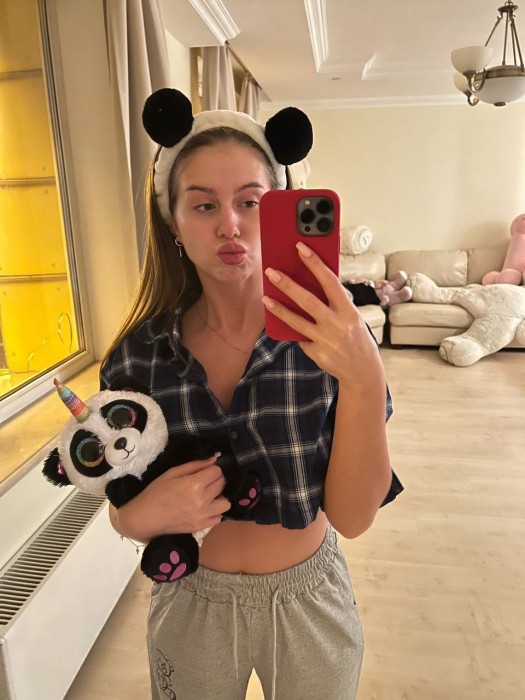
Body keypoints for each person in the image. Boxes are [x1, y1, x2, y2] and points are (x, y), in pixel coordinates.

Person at [100, 88, 402, 700]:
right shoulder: (138, 358)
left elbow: (354, 517)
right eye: (203, 204)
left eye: (250, 202)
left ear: (282, 207)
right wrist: (133, 517)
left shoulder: (327, 342)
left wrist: (365, 375)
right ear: (173, 221)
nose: (230, 225)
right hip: (191, 599)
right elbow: (122, 500)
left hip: (308, 596)